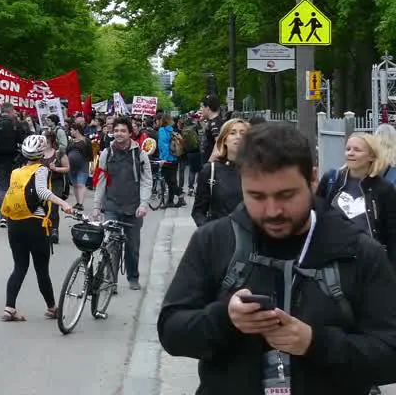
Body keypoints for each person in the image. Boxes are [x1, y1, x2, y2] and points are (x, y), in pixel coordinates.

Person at [158, 122, 396, 395]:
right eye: (256, 196)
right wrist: (224, 319)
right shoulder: (213, 240)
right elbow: (171, 332)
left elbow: (390, 352)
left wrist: (315, 343)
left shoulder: (360, 251)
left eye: (286, 195)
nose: (272, 211)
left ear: (313, 180)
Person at [1, 134, 74, 322]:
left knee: (19, 267)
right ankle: (52, 308)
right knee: (41, 269)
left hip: (14, 223)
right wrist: (63, 203)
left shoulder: (16, 171)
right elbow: (42, 191)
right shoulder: (41, 169)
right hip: (35, 222)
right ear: (41, 153)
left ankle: (9, 308)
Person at [91, 116, 153, 291]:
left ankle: (133, 277)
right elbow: (100, 180)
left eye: (123, 131)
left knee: (132, 246)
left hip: (134, 208)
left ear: (130, 133)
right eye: (116, 130)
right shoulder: (106, 153)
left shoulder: (139, 154)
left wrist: (144, 203)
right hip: (112, 206)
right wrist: (96, 206)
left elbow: (147, 180)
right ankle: (111, 280)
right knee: (111, 244)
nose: (118, 133)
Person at [317, 134, 396, 267]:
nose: (350, 153)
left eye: (357, 150)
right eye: (348, 149)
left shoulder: (384, 189)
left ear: (371, 156)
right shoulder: (331, 180)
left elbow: (392, 233)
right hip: (332, 258)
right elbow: (317, 215)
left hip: (368, 261)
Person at [191, 118, 248, 227]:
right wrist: (212, 232)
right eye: (232, 133)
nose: (238, 137)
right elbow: (198, 212)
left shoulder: (258, 171)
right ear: (224, 140)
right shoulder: (210, 170)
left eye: (243, 133)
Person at [0, 104, 27, 228]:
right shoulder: (16, 125)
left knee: (2, 188)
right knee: (14, 188)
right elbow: (23, 140)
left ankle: (3, 217)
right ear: (10, 111)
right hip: (13, 160)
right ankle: (12, 215)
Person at [65, 121, 92, 211]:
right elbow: (66, 152)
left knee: (81, 184)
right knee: (75, 185)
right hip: (71, 166)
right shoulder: (71, 141)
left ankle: (81, 203)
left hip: (83, 165)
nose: (70, 132)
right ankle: (77, 202)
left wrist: (91, 165)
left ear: (77, 130)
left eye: (72, 130)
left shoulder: (86, 140)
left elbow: (90, 154)